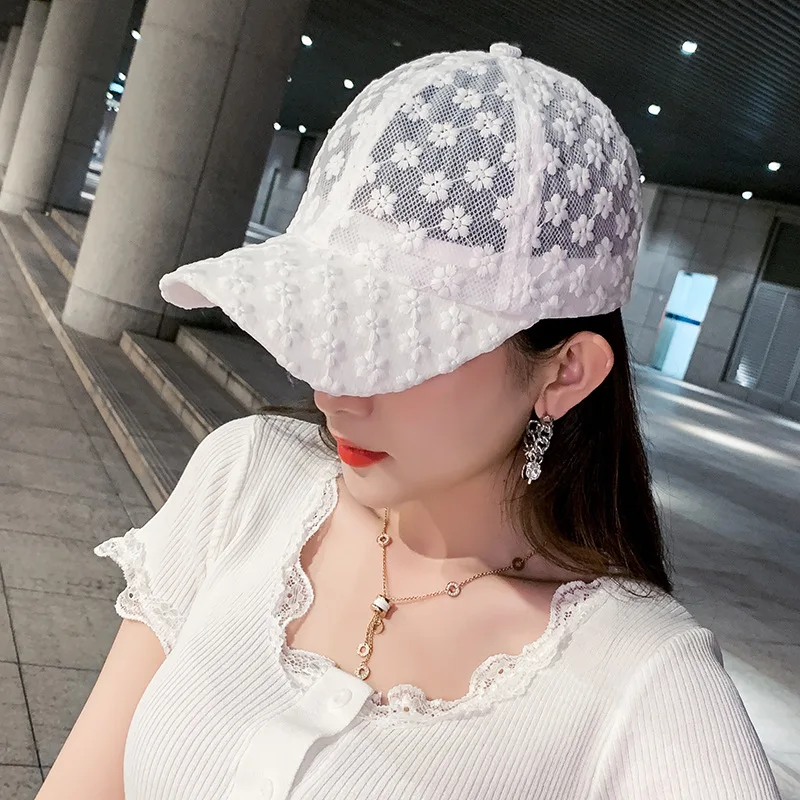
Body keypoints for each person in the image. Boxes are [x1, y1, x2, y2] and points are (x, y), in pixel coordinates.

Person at [37, 43, 780, 800]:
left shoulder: (641, 685)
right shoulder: (247, 477)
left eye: (400, 345)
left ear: (564, 373)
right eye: (333, 323)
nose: (334, 392)